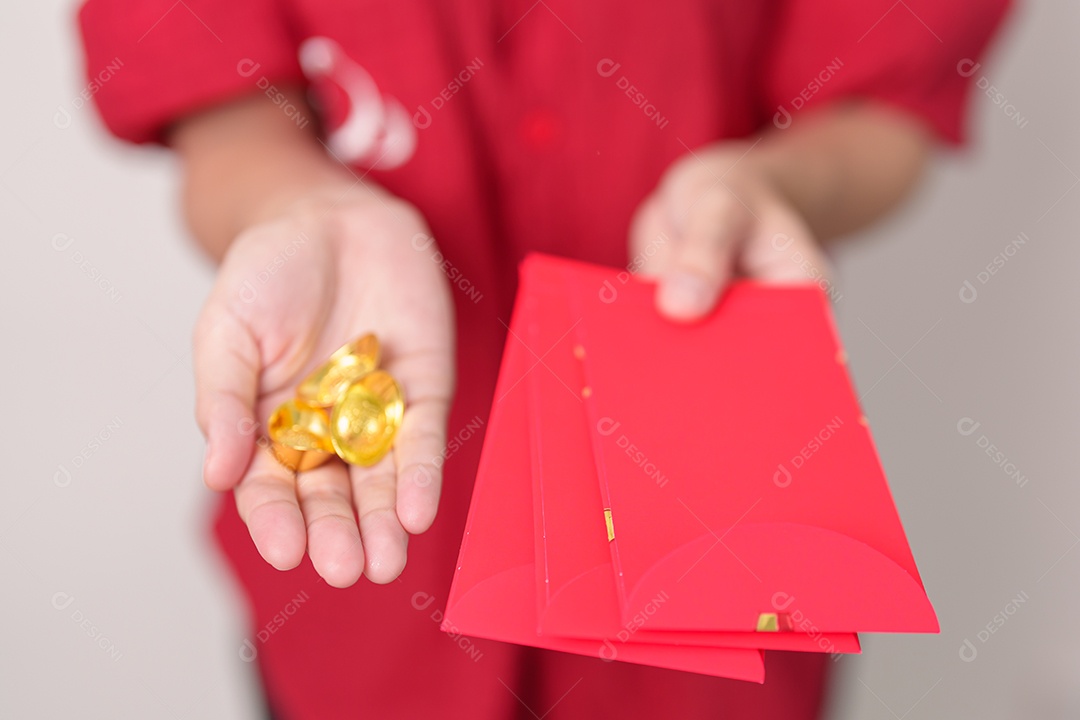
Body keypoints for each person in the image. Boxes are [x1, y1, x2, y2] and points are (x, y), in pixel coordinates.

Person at [79, 1, 1011, 717]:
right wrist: (296, 206)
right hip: (367, 601)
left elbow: (883, 102)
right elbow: (226, 117)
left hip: (708, 547)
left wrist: (768, 187)